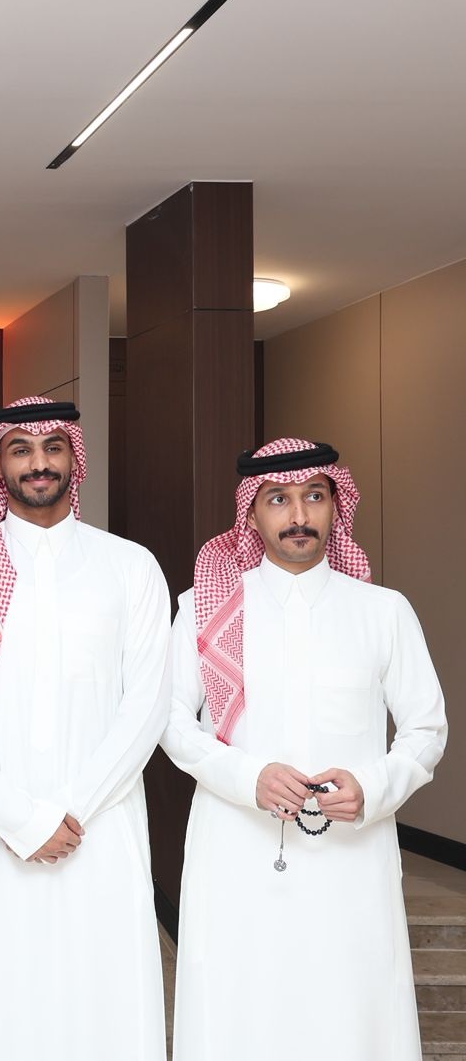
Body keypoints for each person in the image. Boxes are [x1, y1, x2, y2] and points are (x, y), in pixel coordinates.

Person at [161, 438, 447, 1060]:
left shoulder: (383, 611)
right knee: (240, 1007)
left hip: (351, 855)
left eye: (314, 497)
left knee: (350, 1011)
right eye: (278, 500)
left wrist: (374, 786)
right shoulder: (206, 609)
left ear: (335, 507)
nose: (298, 515)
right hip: (235, 849)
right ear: (250, 513)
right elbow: (172, 723)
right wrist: (249, 776)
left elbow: (426, 729)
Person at [0, 396, 170, 1060]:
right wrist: (19, 818)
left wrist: (70, 810)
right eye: (20, 449)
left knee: (103, 990)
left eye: (53, 447)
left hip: (101, 821)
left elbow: (147, 703)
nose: (38, 463)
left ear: (74, 458)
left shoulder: (130, 565)